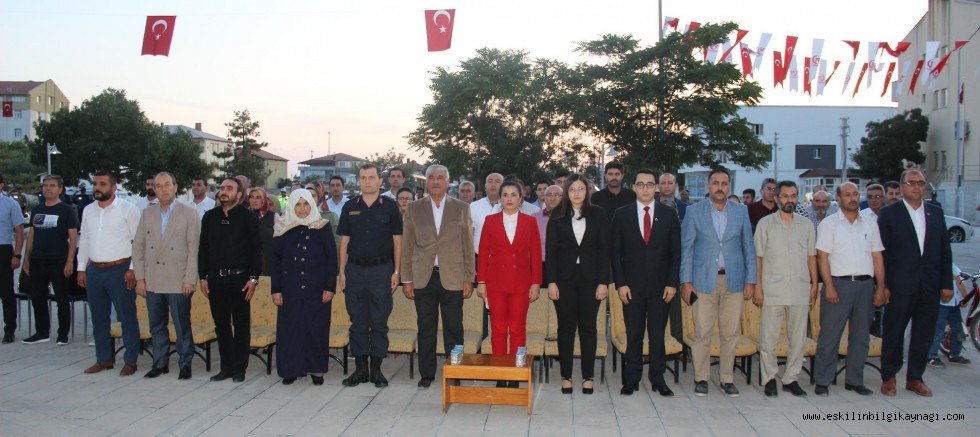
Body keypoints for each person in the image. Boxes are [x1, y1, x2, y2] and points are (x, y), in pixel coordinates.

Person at [680, 168, 756, 397]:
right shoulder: (694, 211)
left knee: (730, 332)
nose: (720, 187)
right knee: (702, 332)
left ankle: (727, 378)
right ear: (708, 186)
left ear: (729, 186)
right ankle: (701, 378)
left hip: (734, 280)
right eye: (715, 183)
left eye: (724, 183)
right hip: (702, 281)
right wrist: (686, 281)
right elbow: (687, 249)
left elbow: (748, 247)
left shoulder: (741, 211)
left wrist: (751, 279)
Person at [877, 169, 953, 398]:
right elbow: (882, 253)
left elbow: (944, 249)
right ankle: (889, 377)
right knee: (894, 332)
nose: (917, 186)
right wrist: (883, 285)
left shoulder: (935, 212)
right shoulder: (889, 213)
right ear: (902, 187)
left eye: (921, 182)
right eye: (911, 182)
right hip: (899, 286)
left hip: (929, 286)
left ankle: (915, 378)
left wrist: (946, 284)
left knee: (923, 333)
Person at [402, 164, 475, 389]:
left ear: (448, 182)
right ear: (426, 181)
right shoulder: (414, 208)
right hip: (423, 276)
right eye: (431, 177)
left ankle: (455, 371)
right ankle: (427, 373)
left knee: (454, 328)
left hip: (453, 276)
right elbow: (407, 246)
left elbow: (468, 244)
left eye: (440, 178)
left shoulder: (461, 208)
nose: (435, 181)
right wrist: (407, 279)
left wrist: (468, 277)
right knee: (426, 328)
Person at [610, 169, 680, 397]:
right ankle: (632, 379)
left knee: (658, 336)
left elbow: (675, 253)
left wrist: (672, 283)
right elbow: (615, 253)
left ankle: (658, 379)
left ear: (657, 187)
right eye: (641, 184)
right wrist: (620, 283)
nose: (645, 188)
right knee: (634, 335)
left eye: (650, 184)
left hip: (661, 288)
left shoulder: (669, 214)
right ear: (634, 187)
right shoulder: (622, 214)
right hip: (631, 287)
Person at [813, 182, 886, 396]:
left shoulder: (870, 223)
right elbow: (822, 258)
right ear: (838, 198)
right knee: (830, 335)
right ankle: (823, 380)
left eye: (855, 194)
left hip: (865, 286)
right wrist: (829, 286)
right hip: (839, 284)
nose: (852, 198)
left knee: (861, 337)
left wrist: (881, 287)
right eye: (847, 194)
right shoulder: (829, 224)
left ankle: (854, 380)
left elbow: (877, 257)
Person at [337, 164, 402, 388]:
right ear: (359, 181)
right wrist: (342, 272)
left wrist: (396, 272)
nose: (367, 181)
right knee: (357, 321)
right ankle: (360, 370)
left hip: (381, 271)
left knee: (379, 321)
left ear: (380, 180)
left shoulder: (390, 207)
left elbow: (397, 241)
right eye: (363, 178)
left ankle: (376, 370)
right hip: (354, 271)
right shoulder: (350, 206)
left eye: (371, 177)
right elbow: (344, 242)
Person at [132, 172, 200, 380]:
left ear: (175, 187)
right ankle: (160, 363)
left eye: (167, 185)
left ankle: (185, 363)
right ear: (153, 189)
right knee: (157, 325)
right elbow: (138, 247)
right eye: (158, 186)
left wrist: (190, 279)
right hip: (153, 279)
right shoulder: (147, 213)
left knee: (181, 325)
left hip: (178, 280)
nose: (163, 189)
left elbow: (194, 249)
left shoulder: (189, 213)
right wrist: (140, 278)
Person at [545, 176, 608, 395]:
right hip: (564, 279)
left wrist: (603, 282)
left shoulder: (598, 213)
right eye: (572, 189)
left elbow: (604, 250)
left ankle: (588, 376)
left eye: (581, 189)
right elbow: (551, 252)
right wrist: (551, 282)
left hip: (591, 279)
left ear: (587, 191)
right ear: (566, 191)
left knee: (588, 328)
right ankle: (566, 376)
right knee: (566, 328)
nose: (577, 193)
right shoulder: (557, 214)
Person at [753, 180, 817, 397]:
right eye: (785, 196)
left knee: (798, 339)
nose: (790, 200)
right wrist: (758, 287)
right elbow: (758, 258)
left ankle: (791, 379)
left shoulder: (806, 225)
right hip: (773, 289)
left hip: (800, 288)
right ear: (777, 198)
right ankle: (769, 378)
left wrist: (814, 284)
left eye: (793, 196)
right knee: (768, 338)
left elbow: (811, 257)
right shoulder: (765, 224)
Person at [477, 179, 541, 388]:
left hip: (522, 284)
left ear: (521, 198)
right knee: (497, 328)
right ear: (500, 199)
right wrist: (481, 282)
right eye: (505, 195)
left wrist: (536, 282)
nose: (509, 199)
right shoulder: (490, 221)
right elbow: (483, 252)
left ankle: (516, 372)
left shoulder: (530, 222)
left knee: (517, 328)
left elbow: (536, 254)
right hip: (495, 283)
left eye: (514, 195)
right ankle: (500, 372)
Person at [270, 189, 338, 385]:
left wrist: (329, 287)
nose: (302, 209)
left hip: (317, 289)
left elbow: (331, 258)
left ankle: (316, 370)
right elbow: (275, 261)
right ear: (292, 206)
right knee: (291, 330)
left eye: (306, 204)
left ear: (312, 205)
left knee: (316, 329)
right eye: (298, 205)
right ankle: (291, 370)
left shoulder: (322, 226)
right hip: (289, 289)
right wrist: (276, 289)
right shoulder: (283, 227)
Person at [77, 172, 142, 375]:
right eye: (95, 183)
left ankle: (130, 360)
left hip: (120, 270)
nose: (97, 187)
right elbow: (84, 240)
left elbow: (139, 242)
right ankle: (104, 359)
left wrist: (133, 269)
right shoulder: (88, 210)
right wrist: (81, 268)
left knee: (126, 316)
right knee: (98, 317)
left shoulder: (128, 209)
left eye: (102, 184)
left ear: (114, 187)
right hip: (95, 270)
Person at [199, 177, 262, 383]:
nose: (224, 191)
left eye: (229, 188)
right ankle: (226, 367)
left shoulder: (247, 217)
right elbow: (203, 248)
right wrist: (202, 276)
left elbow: (256, 250)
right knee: (221, 325)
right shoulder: (210, 217)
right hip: (216, 280)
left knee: (241, 325)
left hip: (240, 280)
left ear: (239, 194)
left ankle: (239, 368)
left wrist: (253, 278)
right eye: (222, 188)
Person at [21, 175, 78, 345]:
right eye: (45, 185)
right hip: (37, 260)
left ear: (60, 189)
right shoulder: (37, 209)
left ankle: (63, 334)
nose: (48, 188)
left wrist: (70, 261)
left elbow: (73, 238)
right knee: (38, 298)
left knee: (61, 299)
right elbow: (31, 235)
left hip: (59, 260)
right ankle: (42, 332)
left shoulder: (67, 210)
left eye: (52, 185)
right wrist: (26, 259)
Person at [927, 262, 972, 368]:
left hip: (954, 304)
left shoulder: (953, 266)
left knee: (958, 330)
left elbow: (960, 283)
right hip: (941, 303)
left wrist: (964, 299)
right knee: (938, 331)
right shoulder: (937, 264)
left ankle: (954, 355)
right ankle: (931, 356)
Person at [532, 185, 562, 288]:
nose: (553, 198)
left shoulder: (569, 217)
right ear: (544, 197)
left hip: (563, 265)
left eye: (557, 195)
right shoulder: (534, 218)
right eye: (549, 195)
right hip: (541, 265)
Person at [248, 188, 275, 276]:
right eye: (252, 197)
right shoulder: (244, 216)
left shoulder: (273, 217)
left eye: (258, 197)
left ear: (263, 199)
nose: (254, 200)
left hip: (267, 263)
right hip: (248, 264)